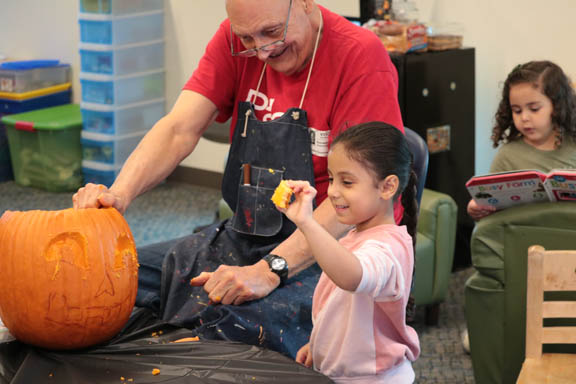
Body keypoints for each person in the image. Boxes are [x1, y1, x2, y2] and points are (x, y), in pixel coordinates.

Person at [73, 0, 404, 358]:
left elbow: (354, 201)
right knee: (107, 280)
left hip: (335, 248)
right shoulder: (235, 39)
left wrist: (270, 269)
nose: (261, 51)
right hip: (246, 234)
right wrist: (119, 194)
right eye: (247, 38)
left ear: (306, 3)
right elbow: (179, 128)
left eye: (273, 32)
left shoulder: (361, 56)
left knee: (235, 330)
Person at [279, 122, 420, 383]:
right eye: (332, 179)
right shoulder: (356, 235)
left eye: (347, 182)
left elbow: (353, 277)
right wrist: (320, 346)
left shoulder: (388, 247)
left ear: (387, 187)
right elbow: (342, 308)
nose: (332, 192)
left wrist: (308, 224)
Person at [467, 60, 576, 221]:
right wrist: (477, 208)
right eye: (516, 111)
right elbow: (490, 203)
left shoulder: (572, 144)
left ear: (558, 106)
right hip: (523, 237)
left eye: (534, 109)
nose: (524, 118)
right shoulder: (507, 156)